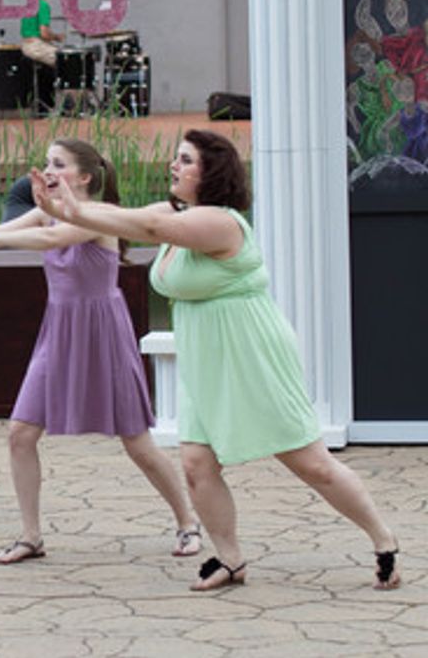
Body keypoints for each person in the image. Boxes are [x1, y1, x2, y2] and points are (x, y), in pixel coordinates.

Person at [31, 129, 401, 591]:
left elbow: (147, 229)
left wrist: (74, 207)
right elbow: (119, 217)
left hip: (251, 353)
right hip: (207, 357)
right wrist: (65, 208)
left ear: (210, 175)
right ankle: (230, 559)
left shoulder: (220, 223)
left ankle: (382, 539)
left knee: (311, 464)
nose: (174, 165)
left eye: (185, 159)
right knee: (197, 464)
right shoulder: (176, 211)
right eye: (175, 157)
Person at [0, 139, 200, 565]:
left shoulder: (98, 217)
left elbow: (47, 237)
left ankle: (188, 521)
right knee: (20, 433)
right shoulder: (49, 210)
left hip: (101, 332)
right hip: (58, 330)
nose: (48, 170)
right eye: (47, 163)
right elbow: (5, 232)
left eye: (58, 164)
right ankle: (31, 536)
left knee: (136, 441)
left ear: (85, 177)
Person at [20, 0, 61, 68]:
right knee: (65, 60)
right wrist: (57, 37)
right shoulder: (43, 5)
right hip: (37, 46)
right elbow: (44, 34)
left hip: (26, 45)